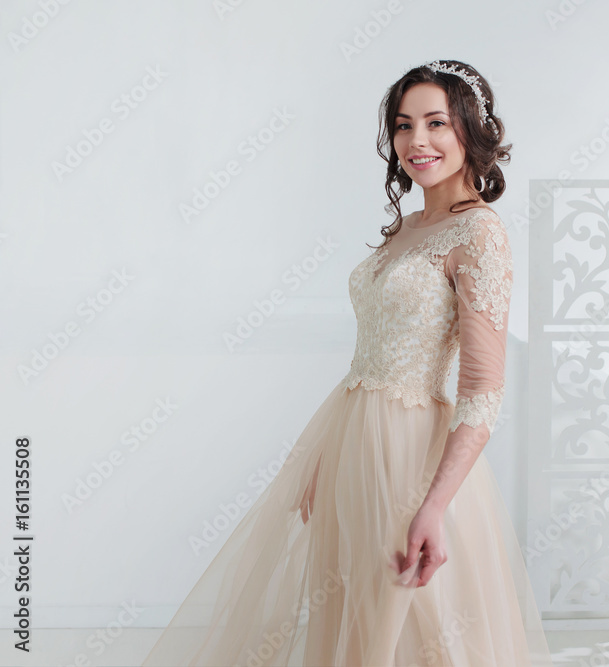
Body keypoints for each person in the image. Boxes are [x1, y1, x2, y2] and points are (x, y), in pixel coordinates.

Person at [140, 59, 553, 666]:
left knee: (407, 621)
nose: (417, 141)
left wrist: (434, 505)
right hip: (353, 443)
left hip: (412, 457)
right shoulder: (410, 226)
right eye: (403, 125)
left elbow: (484, 390)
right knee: (353, 616)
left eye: (436, 123)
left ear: (470, 128)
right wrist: (326, 452)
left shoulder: (480, 234)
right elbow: (373, 352)